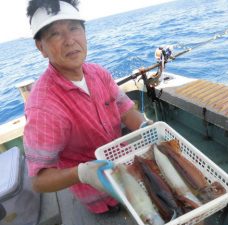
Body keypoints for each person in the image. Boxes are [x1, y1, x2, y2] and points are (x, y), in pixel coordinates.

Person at [24, 0, 150, 214]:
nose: (69, 40)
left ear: (84, 32)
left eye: (74, 28)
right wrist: (82, 173)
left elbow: (126, 110)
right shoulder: (43, 107)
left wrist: (146, 127)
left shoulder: (98, 73)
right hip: (101, 195)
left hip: (131, 168)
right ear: (41, 47)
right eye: (55, 34)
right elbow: (39, 181)